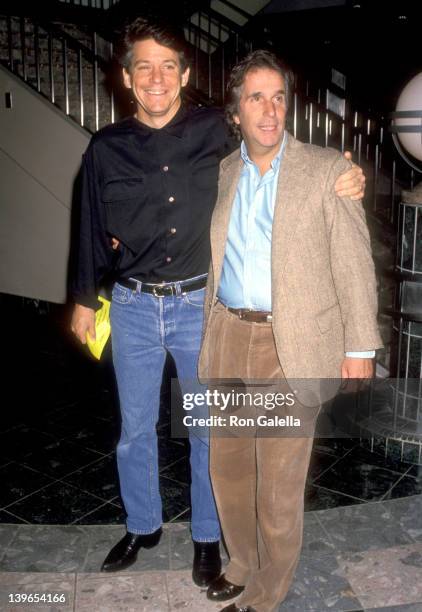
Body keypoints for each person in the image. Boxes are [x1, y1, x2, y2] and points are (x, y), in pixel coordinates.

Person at [70, 16, 367, 586]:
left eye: (168, 66)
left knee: (207, 428)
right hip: (130, 306)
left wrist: (344, 172)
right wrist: (85, 299)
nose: (156, 77)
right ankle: (143, 523)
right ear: (127, 78)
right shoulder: (104, 149)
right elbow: (88, 226)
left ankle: (209, 537)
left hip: (197, 307)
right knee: (134, 429)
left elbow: (275, 147)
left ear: (183, 75)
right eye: (143, 67)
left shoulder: (217, 131)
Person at [197, 50, 382, 612]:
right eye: (256, 97)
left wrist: (358, 347)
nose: (270, 109)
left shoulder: (328, 170)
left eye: (278, 96)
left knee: (277, 481)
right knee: (227, 467)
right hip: (229, 334)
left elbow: (354, 262)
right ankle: (241, 563)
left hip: (292, 343)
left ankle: (266, 593)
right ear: (236, 111)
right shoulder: (226, 170)